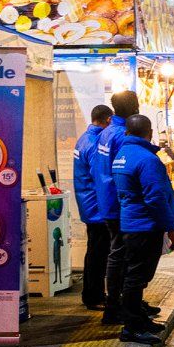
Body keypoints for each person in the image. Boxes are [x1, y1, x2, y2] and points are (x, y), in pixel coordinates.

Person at [110, 114, 174, 345]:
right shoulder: (147, 159)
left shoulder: (122, 155)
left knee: (135, 275)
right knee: (137, 277)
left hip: (131, 222)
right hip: (145, 225)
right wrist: (171, 227)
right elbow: (156, 197)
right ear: (149, 133)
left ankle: (139, 319)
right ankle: (131, 327)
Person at [91, 90, 136, 323]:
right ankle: (116, 307)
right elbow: (123, 172)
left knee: (118, 253)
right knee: (121, 255)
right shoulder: (121, 134)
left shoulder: (106, 132)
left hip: (107, 200)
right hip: (120, 204)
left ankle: (124, 303)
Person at [72, 104, 114, 309]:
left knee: (94, 250)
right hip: (97, 206)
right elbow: (101, 177)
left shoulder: (83, 138)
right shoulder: (96, 143)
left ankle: (91, 293)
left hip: (88, 203)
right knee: (99, 252)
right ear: (108, 120)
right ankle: (94, 296)